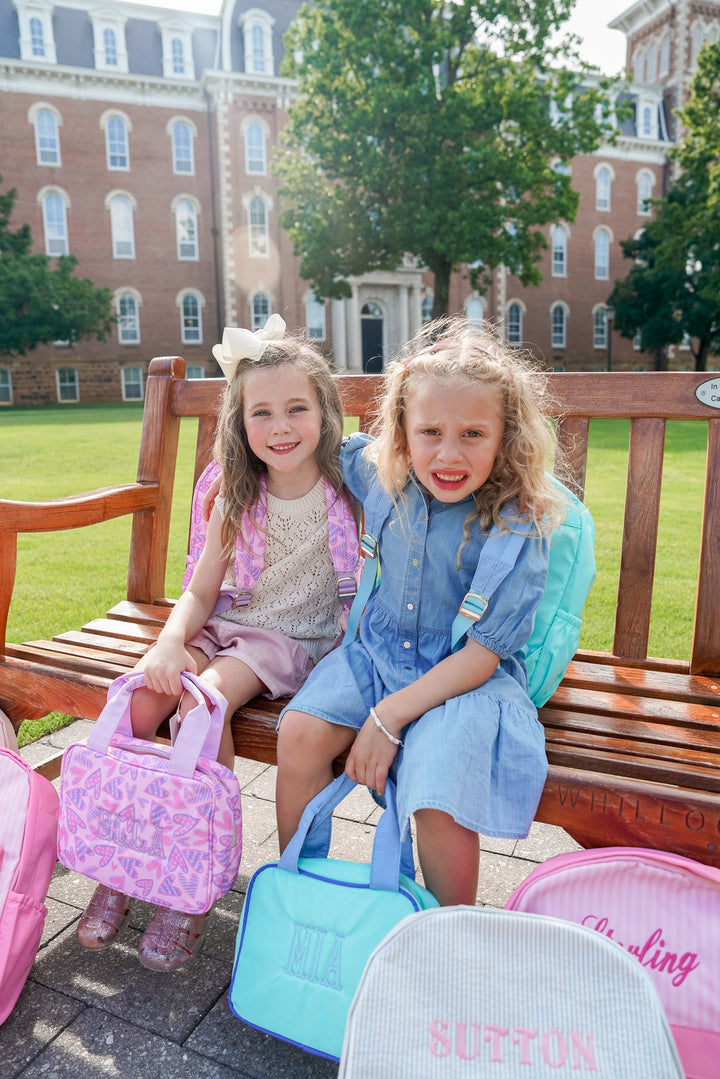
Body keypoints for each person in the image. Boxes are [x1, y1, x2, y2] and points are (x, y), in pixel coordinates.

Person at [76, 316, 359, 970]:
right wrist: (170, 641)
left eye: (297, 408)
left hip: (285, 640)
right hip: (220, 624)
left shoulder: (346, 497)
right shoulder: (235, 493)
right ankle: (120, 865)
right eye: (262, 412)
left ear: (326, 412)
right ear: (241, 421)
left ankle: (188, 882)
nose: (281, 425)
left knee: (201, 704)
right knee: (142, 701)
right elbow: (201, 595)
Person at [276, 317, 564, 907]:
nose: (449, 453)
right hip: (374, 658)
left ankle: (449, 932)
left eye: (473, 434)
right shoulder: (383, 476)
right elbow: (317, 439)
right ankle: (300, 897)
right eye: (430, 430)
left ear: (506, 435)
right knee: (301, 733)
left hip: (461, 681)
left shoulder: (518, 524)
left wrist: (387, 719)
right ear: (402, 431)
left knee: (435, 787)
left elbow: (482, 657)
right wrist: (267, 379)